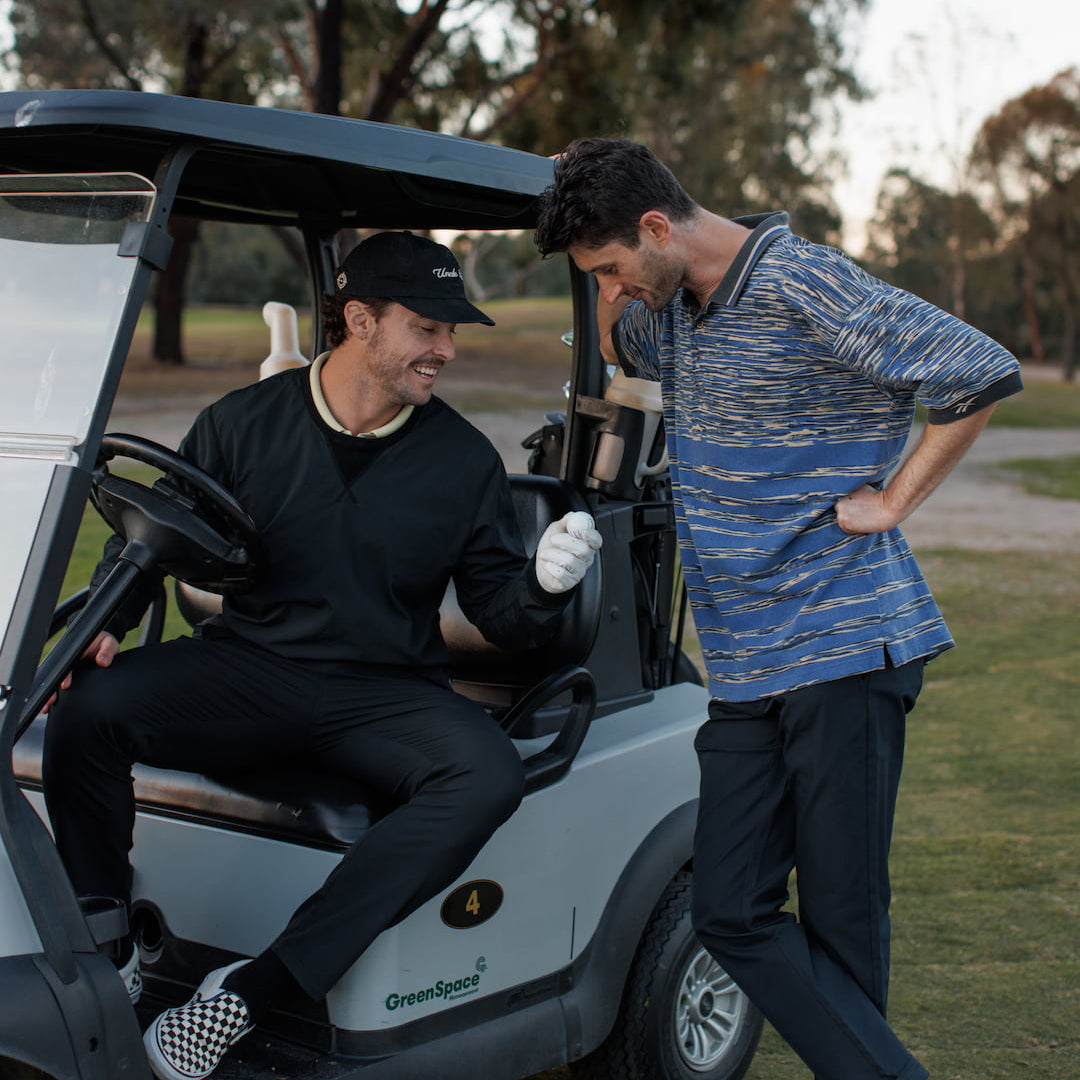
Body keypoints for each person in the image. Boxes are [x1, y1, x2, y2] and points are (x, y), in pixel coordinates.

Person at [42, 230, 602, 1080]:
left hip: (384, 692)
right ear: (360, 320)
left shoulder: (461, 459)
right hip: (251, 667)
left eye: (452, 331)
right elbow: (157, 539)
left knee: (487, 775)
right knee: (88, 705)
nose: (447, 350)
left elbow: (500, 613)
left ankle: (251, 992)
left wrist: (545, 584)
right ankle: (108, 947)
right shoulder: (241, 422)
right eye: (427, 328)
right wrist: (109, 620)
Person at [534, 137, 1021, 1080]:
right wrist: (587, 235)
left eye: (611, 268)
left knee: (841, 920)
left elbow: (978, 371)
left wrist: (893, 502)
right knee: (728, 909)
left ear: (656, 226)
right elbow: (622, 348)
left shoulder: (803, 283)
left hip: (844, 645)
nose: (612, 289)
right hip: (747, 664)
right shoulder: (673, 308)